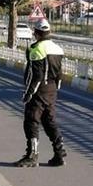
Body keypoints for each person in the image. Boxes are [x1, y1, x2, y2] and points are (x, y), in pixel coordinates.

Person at [15, 19, 67, 167]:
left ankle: (32, 155)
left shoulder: (36, 49)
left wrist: (28, 94)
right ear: (48, 32)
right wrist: (56, 87)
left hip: (39, 91)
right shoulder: (57, 48)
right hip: (52, 90)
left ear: (36, 33)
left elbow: (34, 76)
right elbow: (59, 73)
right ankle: (59, 153)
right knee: (49, 121)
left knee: (31, 120)